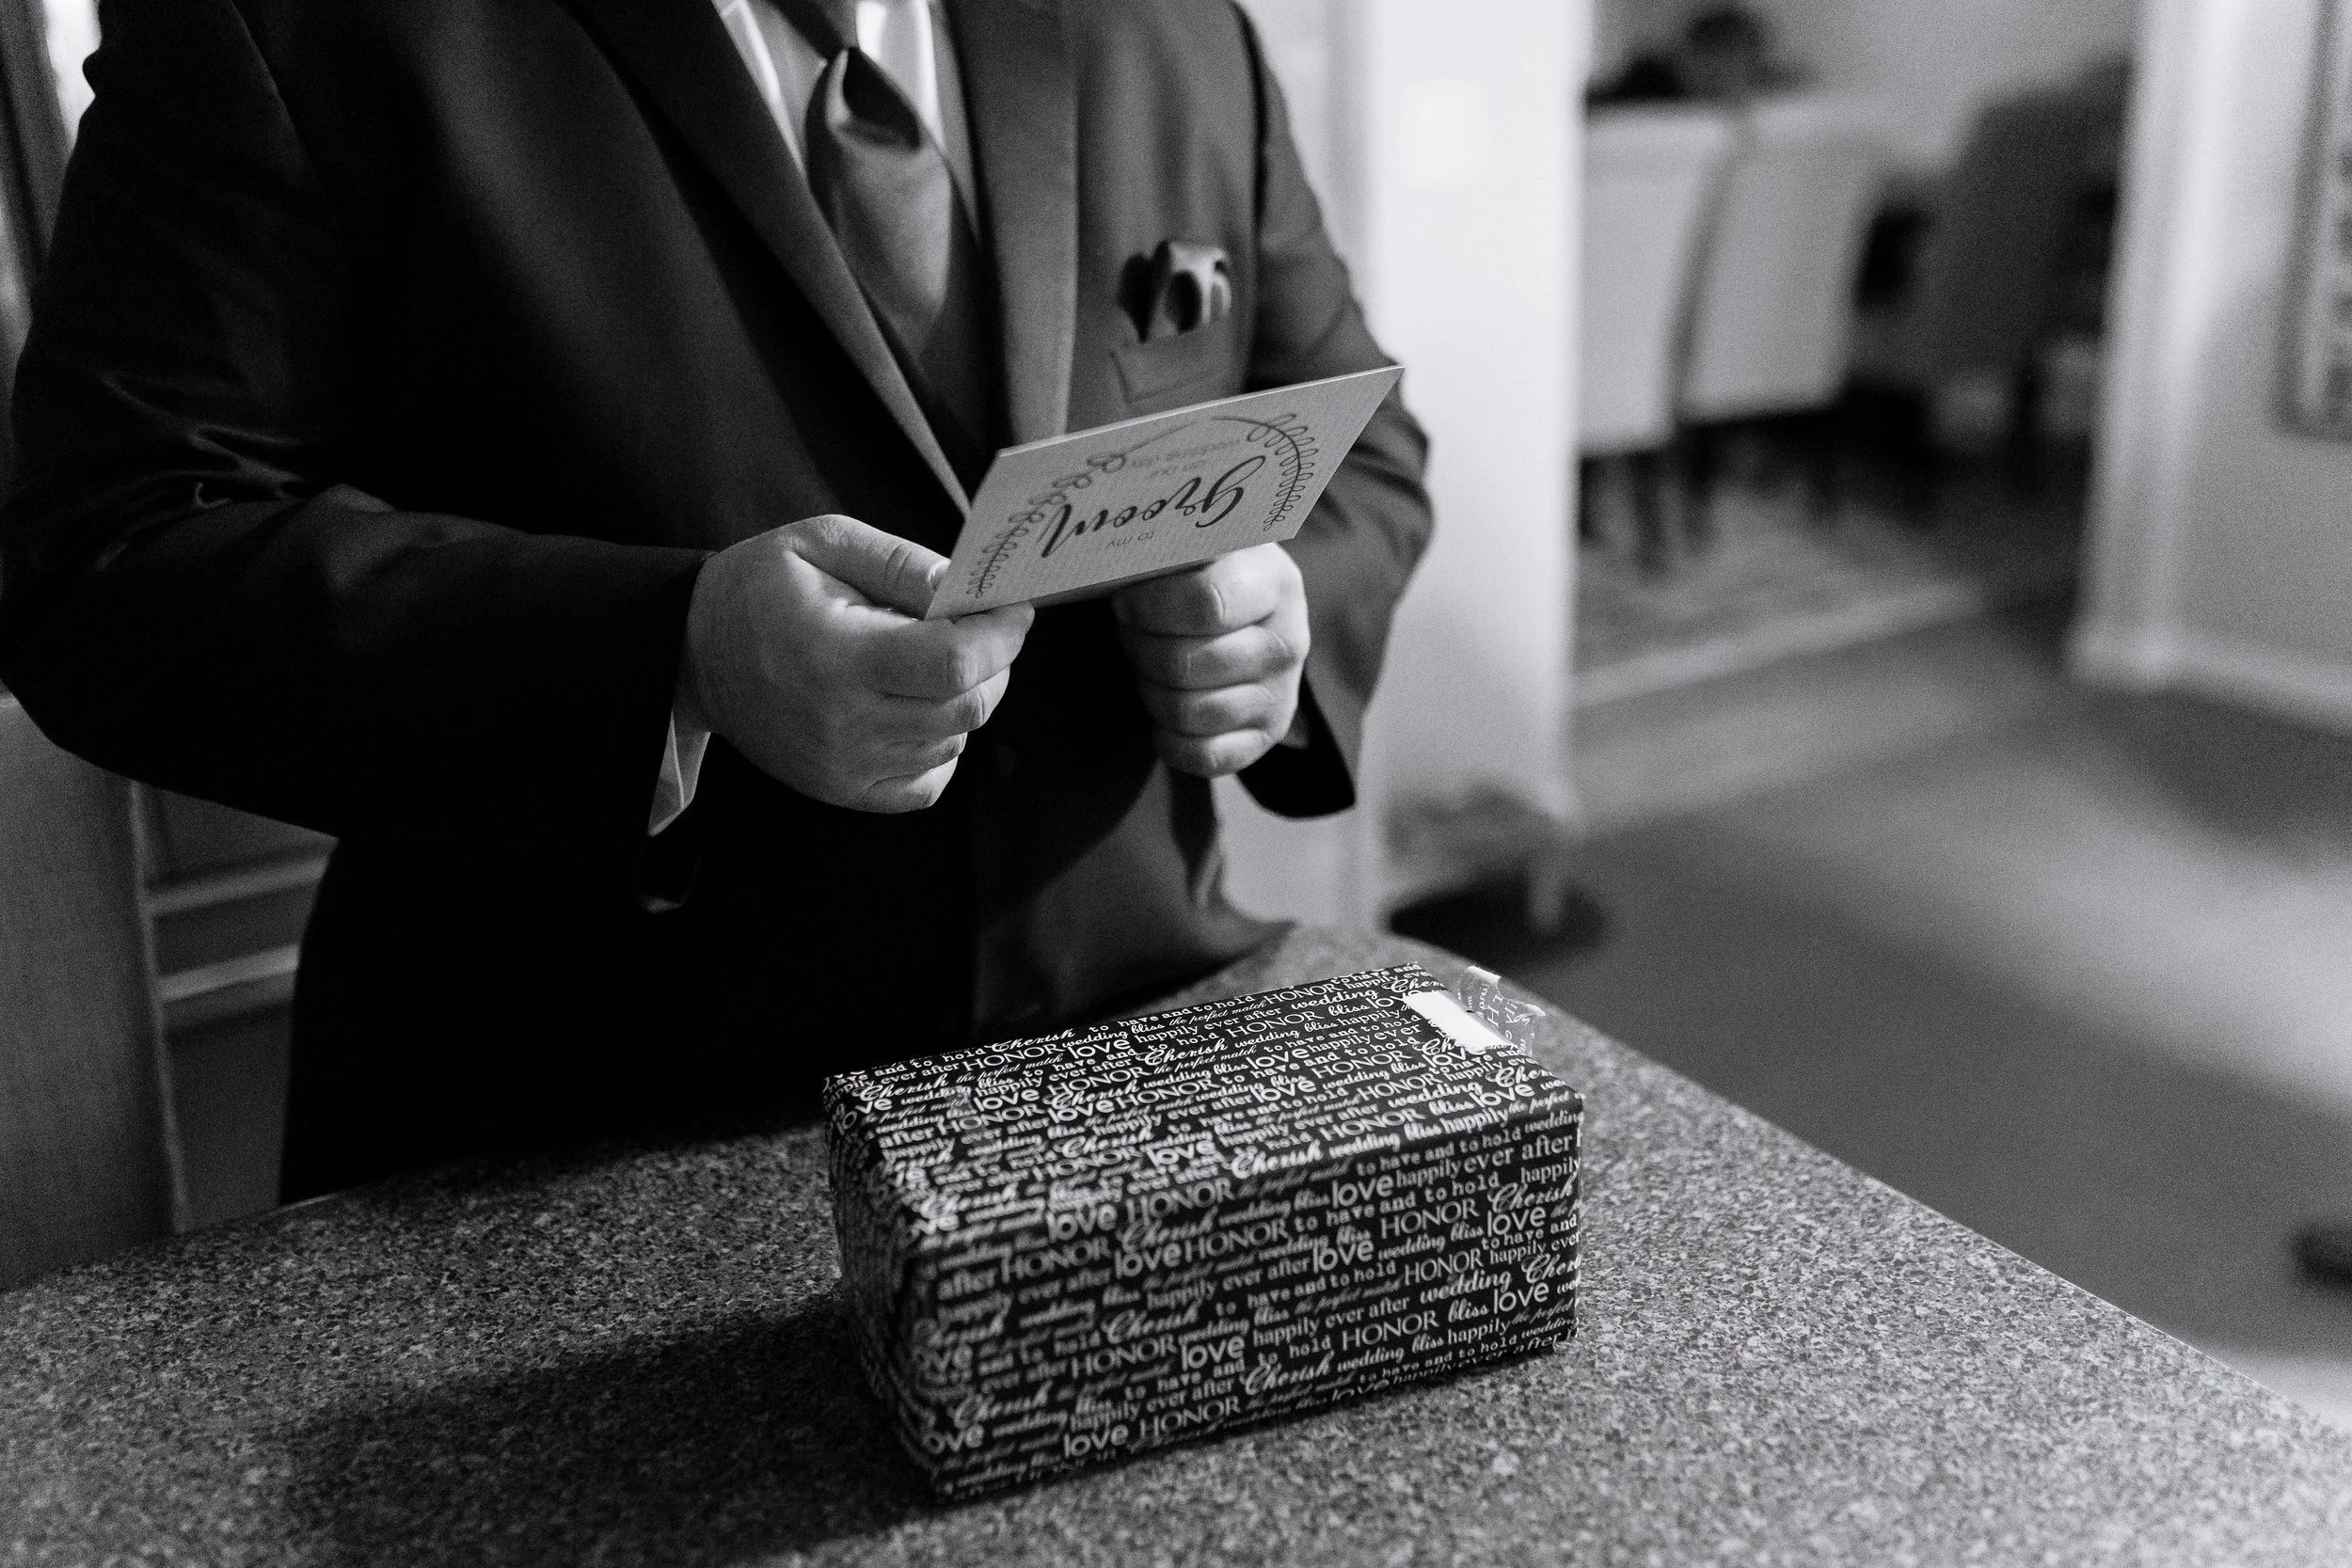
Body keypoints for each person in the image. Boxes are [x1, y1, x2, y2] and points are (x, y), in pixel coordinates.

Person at [0, 0, 1433, 1197]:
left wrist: (1278, 615)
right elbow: (108, 558)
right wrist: (671, 659)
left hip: (1149, 1093)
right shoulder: (282, 20)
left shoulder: (1173, 18)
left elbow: (1364, 451)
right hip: (577, 1166)